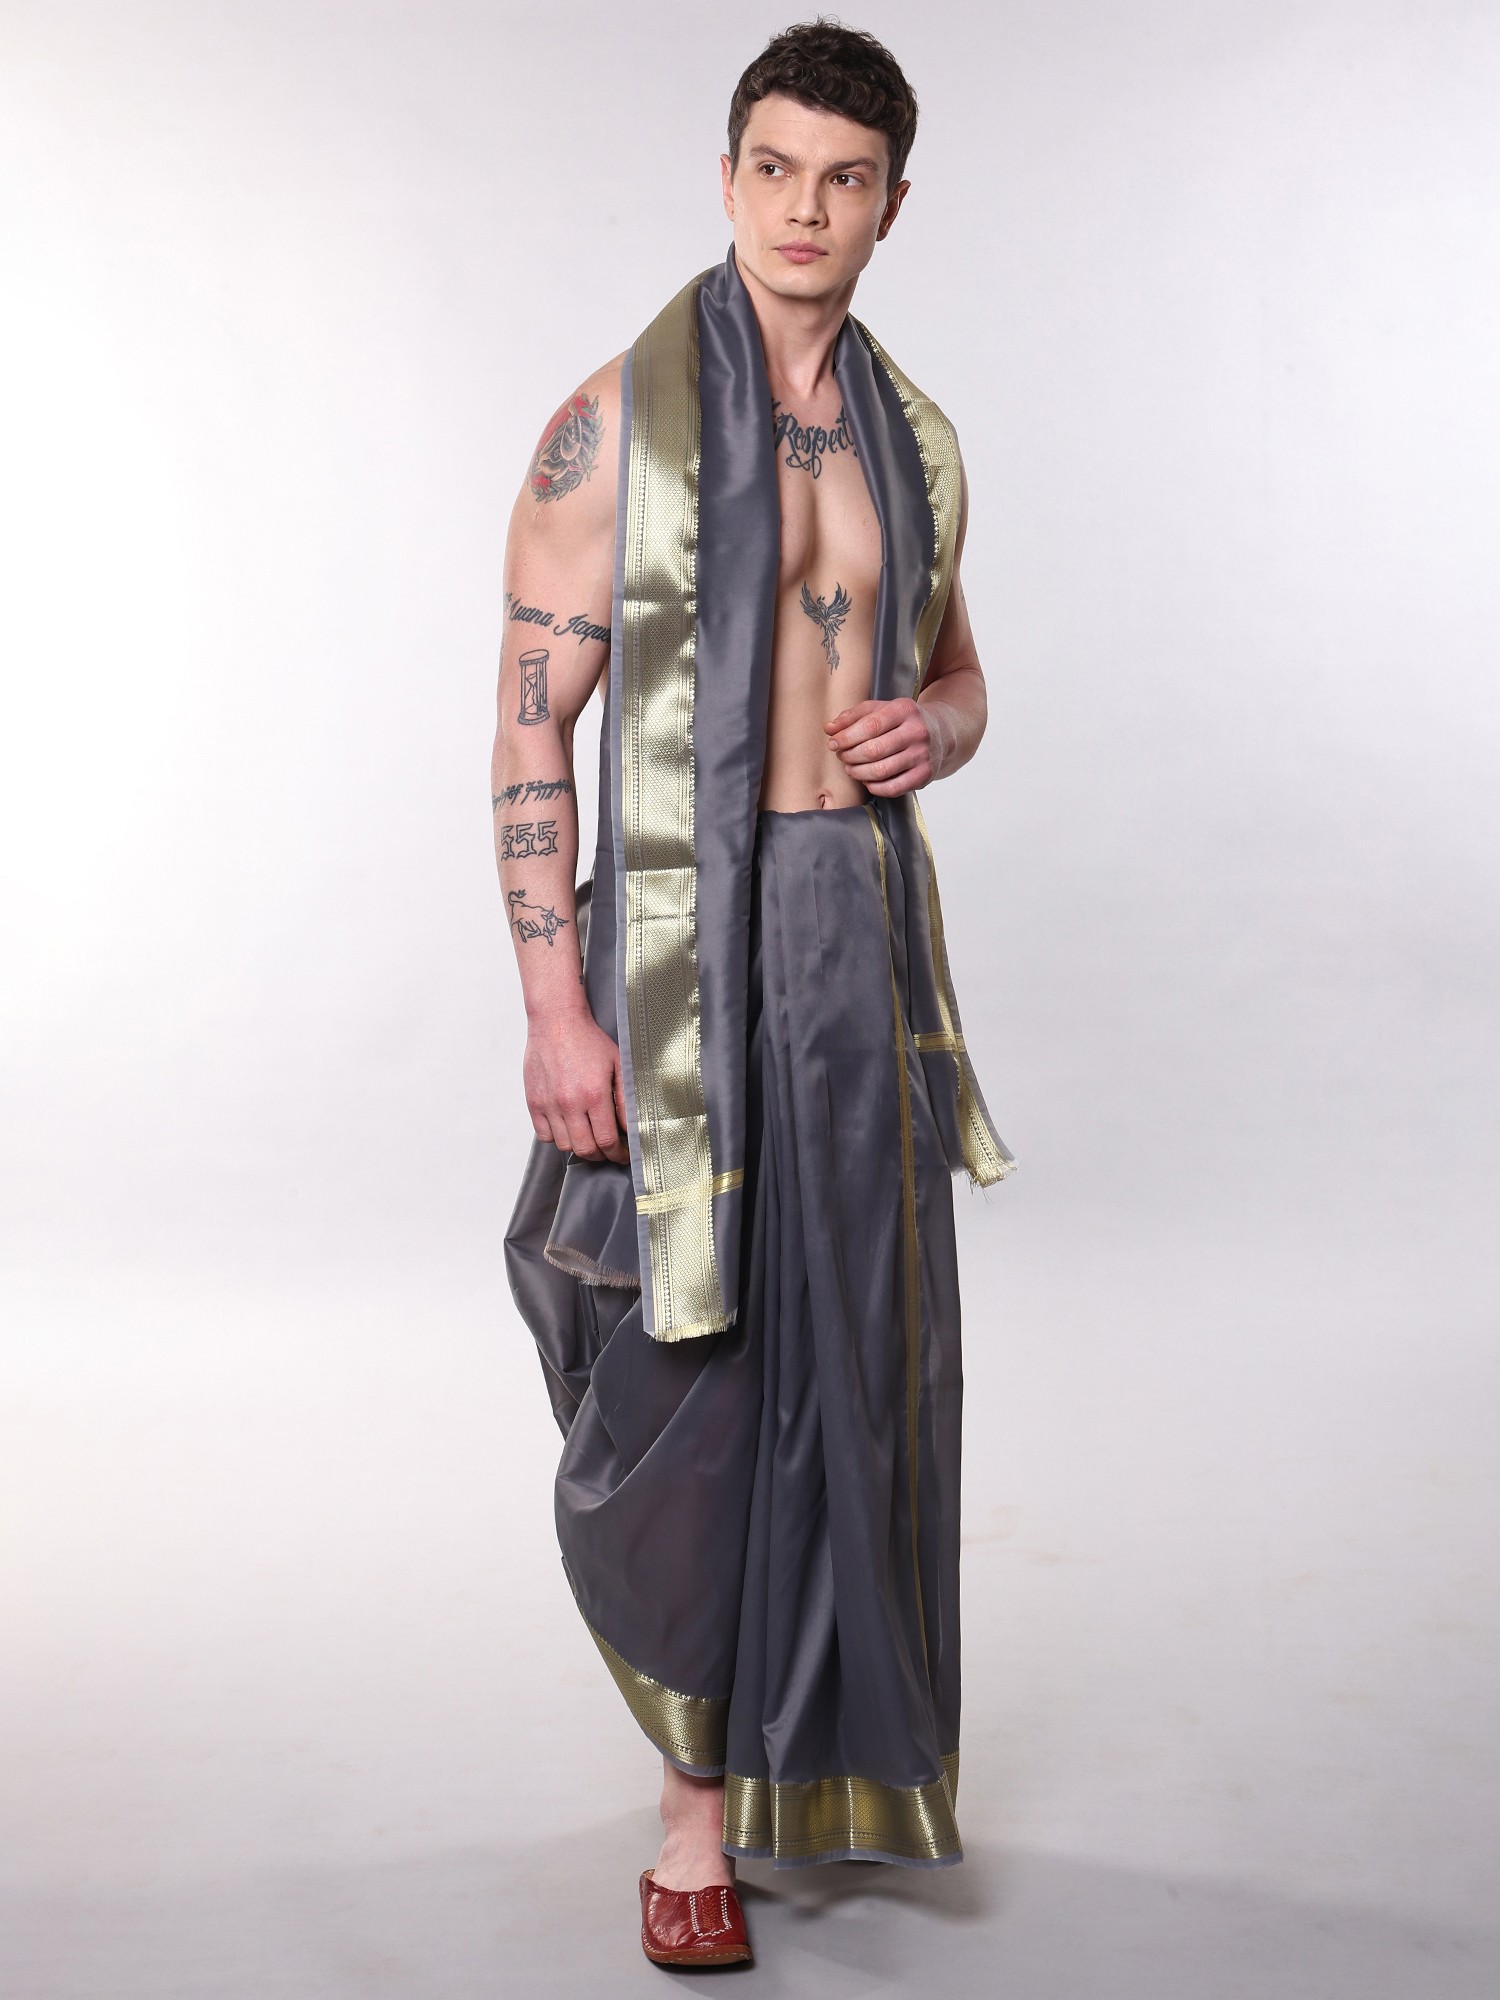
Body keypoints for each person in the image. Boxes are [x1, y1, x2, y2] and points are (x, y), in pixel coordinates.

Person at [495, 21, 1013, 1971]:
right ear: (728, 180)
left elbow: (963, 678)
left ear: (893, 205)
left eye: (845, 179)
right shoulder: (609, 427)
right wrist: (557, 1011)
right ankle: (692, 1818)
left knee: (859, 1362)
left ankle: (809, 1769)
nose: (806, 210)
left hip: (846, 932)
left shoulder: (915, 442)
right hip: (671, 944)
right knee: (685, 1359)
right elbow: (530, 729)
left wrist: (930, 731)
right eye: (775, 170)